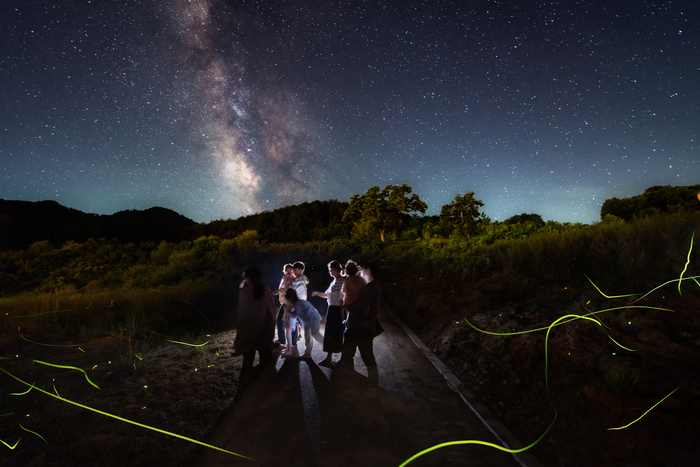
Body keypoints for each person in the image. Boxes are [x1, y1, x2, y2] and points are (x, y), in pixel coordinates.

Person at [337, 261, 381, 384]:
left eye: (364, 269)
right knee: (351, 353)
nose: (362, 272)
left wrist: (348, 306)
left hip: (362, 326)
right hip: (356, 325)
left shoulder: (372, 286)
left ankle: (372, 381)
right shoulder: (367, 284)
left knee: (365, 355)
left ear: (369, 270)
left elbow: (358, 302)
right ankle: (364, 379)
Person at [233, 266, 277, 388]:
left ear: (247, 277)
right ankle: (266, 388)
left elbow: (241, 316)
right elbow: (271, 314)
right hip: (262, 332)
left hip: (247, 333)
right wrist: (270, 333)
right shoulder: (265, 291)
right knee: (266, 362)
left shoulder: (243, 292)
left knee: (247, 362)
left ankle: (242, 388)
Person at [311, 260, 346, 366]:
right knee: (330, 333)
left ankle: (342, 359)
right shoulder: (334, 282)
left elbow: (341, 298)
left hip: (337, 309)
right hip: (331, 309)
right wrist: (317, 293)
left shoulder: (342, 281)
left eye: (330, 269)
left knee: (338, 333)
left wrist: (342, 314)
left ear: (335, 269)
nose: (329, 271)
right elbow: (327, 295)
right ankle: (329, 358)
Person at [284, 288, 323, 359]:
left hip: (313, 319)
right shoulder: (297, 304)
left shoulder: (299, 303)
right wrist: (288, 311)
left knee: (315, 334)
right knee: (308, 336)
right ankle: (308, 353)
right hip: (308, 321)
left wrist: (307, 323)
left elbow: (309, 312)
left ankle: (328, 344)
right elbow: (294, 315)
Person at [276, 263, 297, 348]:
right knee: (281, 320)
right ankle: (283, 339)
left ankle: (292, 341)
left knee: (292, 320)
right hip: (285, 300)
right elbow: (283, 287)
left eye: (290, 269)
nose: (288, 271)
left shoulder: (294, 278)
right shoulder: (285, 277)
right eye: (287, 269)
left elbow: (289, 289)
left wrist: (278, 291)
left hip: (291, 301)